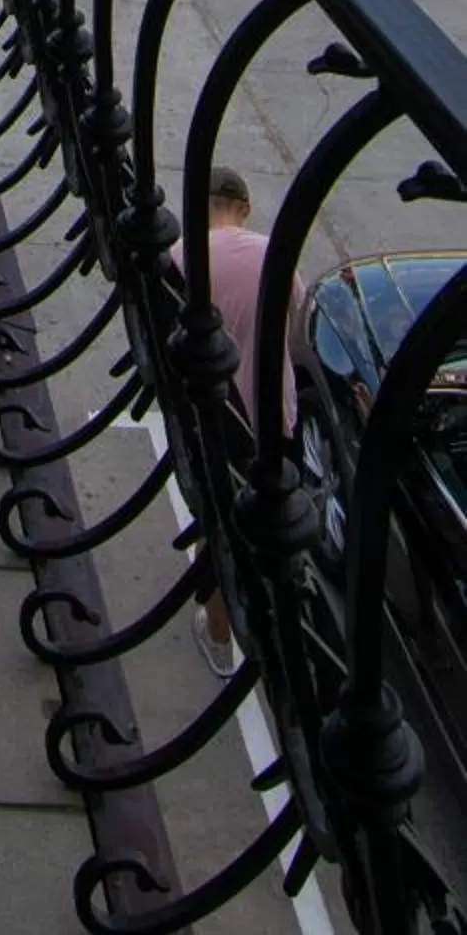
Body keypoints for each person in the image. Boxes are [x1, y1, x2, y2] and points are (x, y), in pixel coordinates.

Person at [183, 167, 305, 681]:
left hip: (219, 416)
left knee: (220, 524)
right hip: (273, 417)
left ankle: (218, 634)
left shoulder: (181, 257)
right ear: (245, 207)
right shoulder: (277, 259)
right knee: (261, 525)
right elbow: (292, 334)